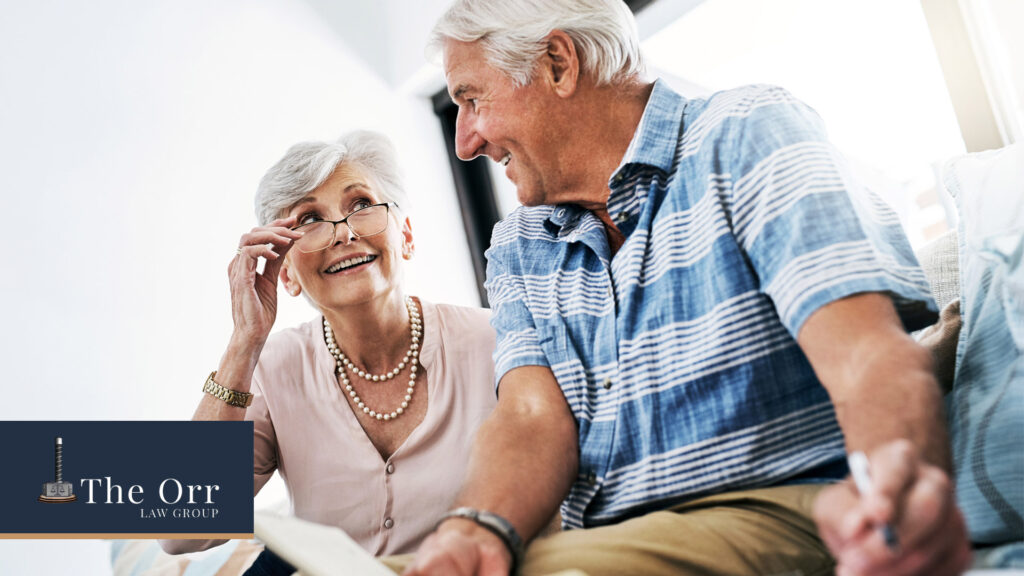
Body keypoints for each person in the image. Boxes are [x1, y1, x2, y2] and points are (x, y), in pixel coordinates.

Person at [400, 1, 972, 575]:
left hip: (779, 512)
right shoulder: (520, 243)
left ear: (557, 63)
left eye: (473, 100)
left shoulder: (745, 130)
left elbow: (862, 350)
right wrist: (475, 528)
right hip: (615, 544)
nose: (465, 142)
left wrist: (897, 485)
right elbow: (530, 415)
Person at [158, 130, 497, 572]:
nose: (343, 233)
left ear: (406, 236)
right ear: (287, 274)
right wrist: (244, 342)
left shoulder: (494, 341)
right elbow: (179, 530)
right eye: (308, 220)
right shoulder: (273, 368)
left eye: (361, 206)